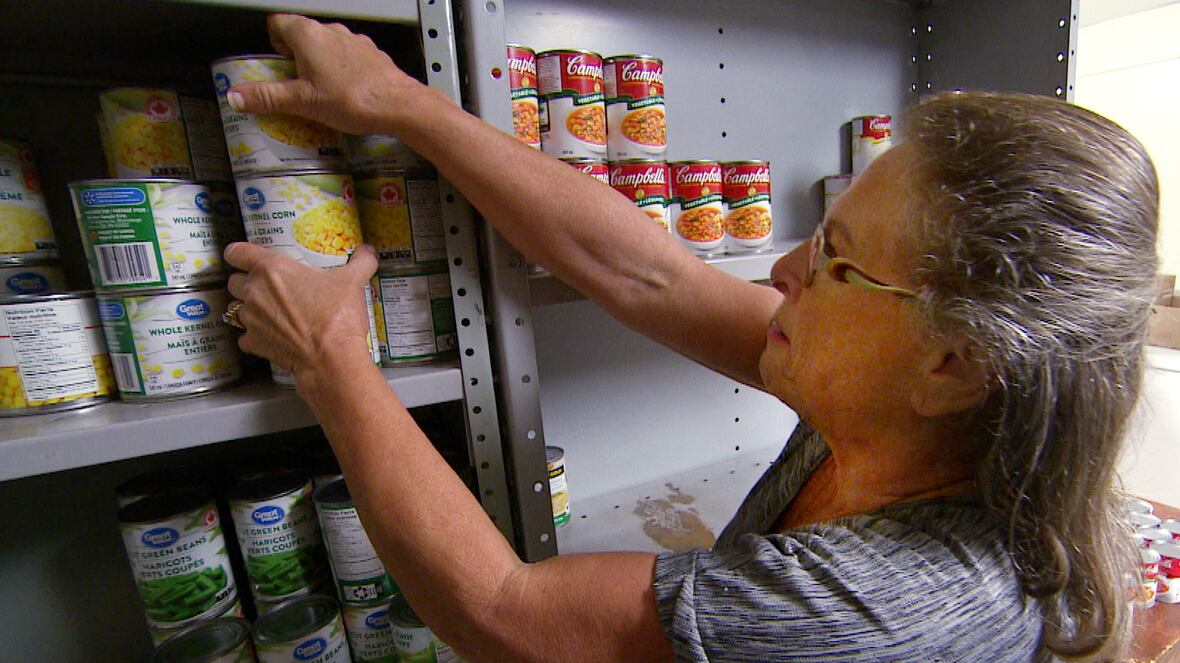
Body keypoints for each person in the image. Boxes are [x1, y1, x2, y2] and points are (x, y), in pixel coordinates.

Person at [220, 14, 1160, 662]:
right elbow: (654, 275)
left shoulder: (878, 607)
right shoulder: (920, 418)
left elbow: (502, 613)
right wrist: (403, 103)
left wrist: (328, 356)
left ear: (952, 363)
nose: (783, 266)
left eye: (836, 259)